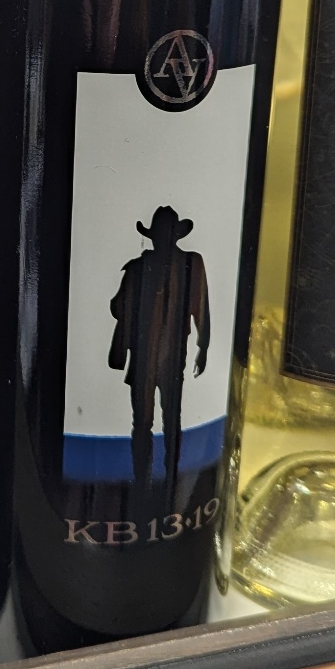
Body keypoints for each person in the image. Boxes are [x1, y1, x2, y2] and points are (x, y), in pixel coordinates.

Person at [108, 207, 210, 498]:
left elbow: (202, 307)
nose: (161, 239)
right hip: (143, 356)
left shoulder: (191, 263)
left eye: (166, 233)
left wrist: (203, 346)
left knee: (170, 419)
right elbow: (118, 305)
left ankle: (170, 479)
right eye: (159, 234)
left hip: (172, 356)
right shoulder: (138, 267)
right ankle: (143, 482)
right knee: (142, 422)